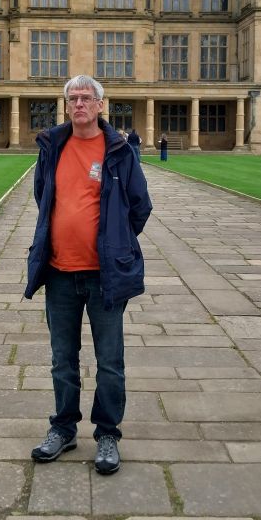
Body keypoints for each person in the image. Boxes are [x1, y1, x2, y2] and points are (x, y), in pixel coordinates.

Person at [24, 74, 152, 475]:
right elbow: (41, 194)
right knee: (63, 359)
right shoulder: (53, 147)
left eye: (87, 98)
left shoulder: (119, 150)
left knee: (109, 360)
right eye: (73, 98)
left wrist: (115, 241)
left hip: (104, 276)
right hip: (59, 273)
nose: (79, 104)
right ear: (66, 106)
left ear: (100, 105)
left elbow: (140, 206)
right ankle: (63, 428)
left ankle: (108, 433)